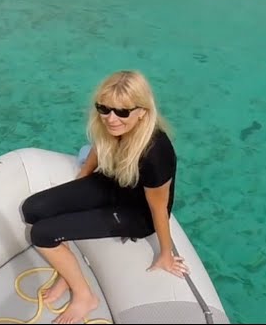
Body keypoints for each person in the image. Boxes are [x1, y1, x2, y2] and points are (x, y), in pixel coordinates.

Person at [20, 70, 187, 324]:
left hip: (137, 213)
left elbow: (159, 208)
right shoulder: (110, 125)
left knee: (41, 234)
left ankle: (85, 296)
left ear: (142, 111)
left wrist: (165, 253)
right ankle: (66, 275)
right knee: (33, 208)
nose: (111, 118)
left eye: (122, 111)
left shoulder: (156, 153)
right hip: (113, 183)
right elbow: (101, 146)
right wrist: (83, 178)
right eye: (104, 108)